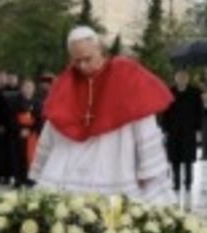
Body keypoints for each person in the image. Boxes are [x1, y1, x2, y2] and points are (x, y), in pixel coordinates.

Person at [31, 26, 172, 201]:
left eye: (87, 59)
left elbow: (142, 118)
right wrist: (44, 166)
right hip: (73, 170)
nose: (82, 66)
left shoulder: (125, 73)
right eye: (76, 61)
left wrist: (147, 168)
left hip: (116, 163)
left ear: (100, 50)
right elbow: (54, 125)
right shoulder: (66, 83)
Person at [161, 69, 203, 192]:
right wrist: (165, 129)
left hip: (189, 131)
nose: (182, 79)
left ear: (188, 79)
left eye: (184, 77)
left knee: (188, 159)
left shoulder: (195, 93)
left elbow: (199, 112)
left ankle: (188, 183)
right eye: (179, 77)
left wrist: (198, 130)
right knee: (175, 159)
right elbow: (165, 112)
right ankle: (176, 183)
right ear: (175, 78)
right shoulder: (169, 91)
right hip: (173, 130)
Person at [11, 78, 42, 187]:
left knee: (31, 157)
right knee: (18, 156)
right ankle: (18, 179)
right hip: (18, 133)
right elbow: (11, 118)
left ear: (34, 89)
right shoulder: (15, 101)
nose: (28, 89)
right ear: (22, 88)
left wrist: (30, 130)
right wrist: (20, 129)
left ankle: (30, 178)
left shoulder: (38, 102)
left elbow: (39, 119)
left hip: (32, 134)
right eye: (26, 87)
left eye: (31, 87)